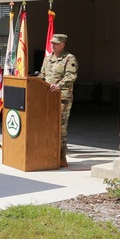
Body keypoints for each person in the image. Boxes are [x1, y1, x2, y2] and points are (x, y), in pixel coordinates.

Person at [40, 33, 79, 167]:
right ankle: (48, 153)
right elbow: (42, 75)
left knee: (60, 127)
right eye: (52, 43)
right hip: (48, 97)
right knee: (47, 124)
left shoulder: (69, 58)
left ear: (63, 44)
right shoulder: (47, 59)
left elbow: (71, 76)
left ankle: (61, 156)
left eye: (56, 43)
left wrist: (59, 85)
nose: (53, 45)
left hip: (62, 97)